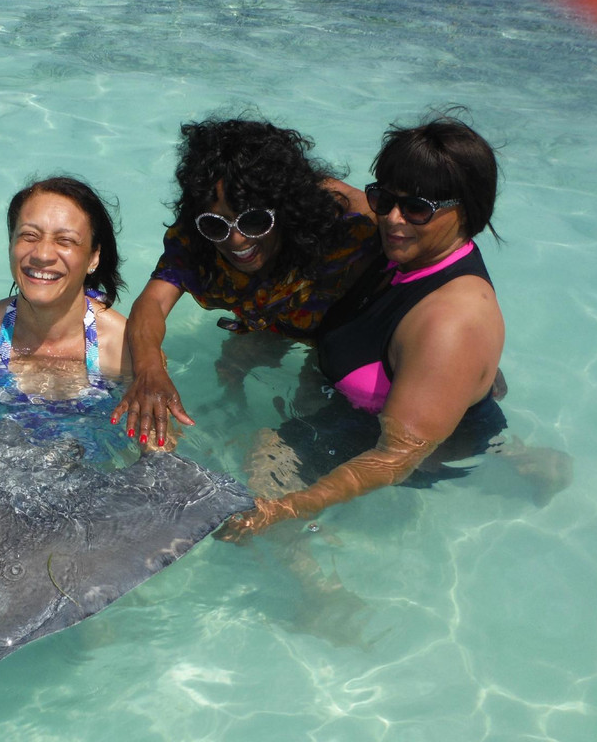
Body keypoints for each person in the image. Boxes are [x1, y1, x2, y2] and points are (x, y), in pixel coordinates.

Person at [218, 113, 514, 539]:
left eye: (417, 208)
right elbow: (310, 185)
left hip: (419, 448)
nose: (392, 218)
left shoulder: (451, 323)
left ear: (467, 212)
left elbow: (397, 457)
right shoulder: (406, 246)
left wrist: (285, 509)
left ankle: (313, 578)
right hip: (378, 403)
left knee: (263, 466)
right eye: (383, 198)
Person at [110, 116, 381, 446]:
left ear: (286, 208)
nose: (236, 240)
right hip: (274, 318)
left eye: (254, 221)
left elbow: (412, 240)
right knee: (231, 364)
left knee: (314, 405)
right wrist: (149, 370)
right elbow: (153, 300)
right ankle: (233, 417)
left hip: (336, 323)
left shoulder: (346, 221)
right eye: (217, 225)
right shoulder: (198, 233)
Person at [0, 176, 134, 457]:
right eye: (29, 236)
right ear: (11, 244)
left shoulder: (125, 349)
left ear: (94, 257)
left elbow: (161, 454)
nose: (43, 254)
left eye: (65, 240)